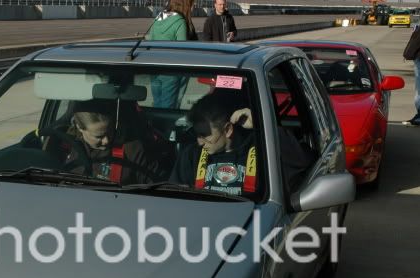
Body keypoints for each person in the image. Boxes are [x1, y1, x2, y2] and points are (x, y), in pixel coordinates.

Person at [170, 91, 313, 196]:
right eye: (197, 134)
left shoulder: (264, 150)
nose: (199, 142)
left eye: (204, 135)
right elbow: (174, 195)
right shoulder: (191, 155)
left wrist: (262, 125)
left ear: (227, 130)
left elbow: (301, 163)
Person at [52, 101, 162, 185]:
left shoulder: (132, 150)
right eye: (99, 136)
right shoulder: (63, 144)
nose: (107, 140)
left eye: (109, 132)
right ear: (79, 127)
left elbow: (155, 190)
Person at [146, 0, 197, 108]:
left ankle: (155, 124)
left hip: (154, 70)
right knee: (169, 107)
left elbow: (150, 44)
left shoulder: (157, 20)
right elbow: (182, 52)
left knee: (157, 103)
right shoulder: (180, 22)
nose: (193, 7)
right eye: (192, 4)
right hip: (172, 72)